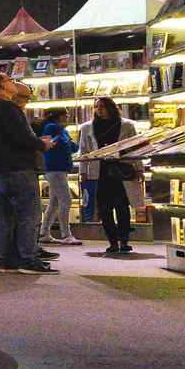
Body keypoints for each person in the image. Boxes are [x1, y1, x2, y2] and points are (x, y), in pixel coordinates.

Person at [0, 70, 57, 274]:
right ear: (2, 86)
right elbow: (21, 137)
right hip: (18, 168)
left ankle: (8, 258)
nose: (12, 82)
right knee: (29, 214)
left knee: (6, 215)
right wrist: (42, 144)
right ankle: (29, 259)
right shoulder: (8, 107)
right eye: (8, 79)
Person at [80, 97, 139, 254]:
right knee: (104, 209)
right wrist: (83, 172)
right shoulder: (87, 128)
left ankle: (124, 240)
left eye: (102, 106)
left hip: (121, 171)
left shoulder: (126, 125)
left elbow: (135, 149)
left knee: (122, 208)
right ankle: (112, 241)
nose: (99, 109)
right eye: (96, 107)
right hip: (99, 172)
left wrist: (139, 168)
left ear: (110, 107)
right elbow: (84, 151)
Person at [39, 109, 82, 246]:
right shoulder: (53, 127)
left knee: (55, 202)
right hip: (55, 168)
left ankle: (44, 232)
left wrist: (68, 142)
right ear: (60, 116)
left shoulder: (61, 129)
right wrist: (67, 142)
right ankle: (66, 234)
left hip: (58, 168)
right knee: (66, 200)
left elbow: (73, 147)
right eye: (66, 115)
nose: (68, 117)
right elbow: (57, 144)